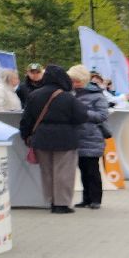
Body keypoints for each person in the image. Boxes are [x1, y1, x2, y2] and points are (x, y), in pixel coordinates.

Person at [20, 65, 88, 213]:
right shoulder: (67, 97)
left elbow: (26, 119)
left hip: (41, 138)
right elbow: (82, 116)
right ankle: (61, 204)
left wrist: (25, 136)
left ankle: (51, 201)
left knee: (47, 172)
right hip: (65, 138)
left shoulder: (34, 95)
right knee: (64, 172)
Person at [69, 64, 110, 210]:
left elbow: (102, 115)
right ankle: (86, 199)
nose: (74, 84)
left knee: (92, 170)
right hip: (77, 137)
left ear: (84, 80)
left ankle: (96, 199)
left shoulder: (97, 95)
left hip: (91, 137)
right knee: (83, 170)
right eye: (72, 80)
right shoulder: (71, 94)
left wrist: (84, 113)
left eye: (77, 81)